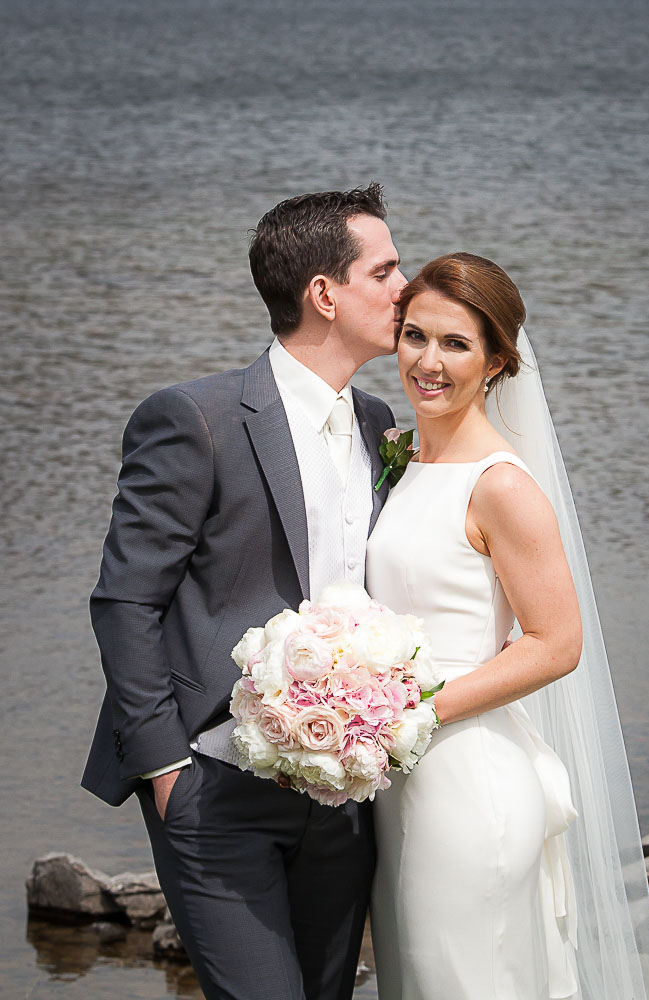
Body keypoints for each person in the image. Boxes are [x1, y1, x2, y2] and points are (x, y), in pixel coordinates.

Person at [81, 183, 406, 1000]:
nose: (407, 287)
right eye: (386, 270)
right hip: (214, 781)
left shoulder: (377, 424)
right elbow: (126, 602)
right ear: (324, 294)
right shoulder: (194, 418)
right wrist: (166, 772)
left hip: (344, 791)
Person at [366, 253, 649, 998]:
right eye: (414, 336)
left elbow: (556, 643)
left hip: (467, 785)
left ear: (499, 359)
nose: (427, 362)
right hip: (397, 784)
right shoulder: (405, 461)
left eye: (456, 344)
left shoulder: (501, 485)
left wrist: (419, 714)